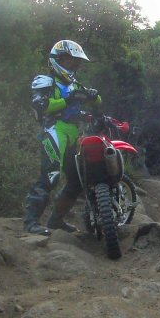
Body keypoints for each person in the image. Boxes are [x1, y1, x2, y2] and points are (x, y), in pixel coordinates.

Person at [23, 39, 102, 235]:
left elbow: (97, 101)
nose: (74, 65)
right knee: (51, 175)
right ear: (57, 60)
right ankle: (31, 223)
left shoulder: (75, 84)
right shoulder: (45, 81)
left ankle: (56, 221)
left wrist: (93, 96)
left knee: (77, 180)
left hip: (74, 134)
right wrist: (69, 99)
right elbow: (42, 106)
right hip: (54, 131)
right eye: (69, 61)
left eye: (76, 62)